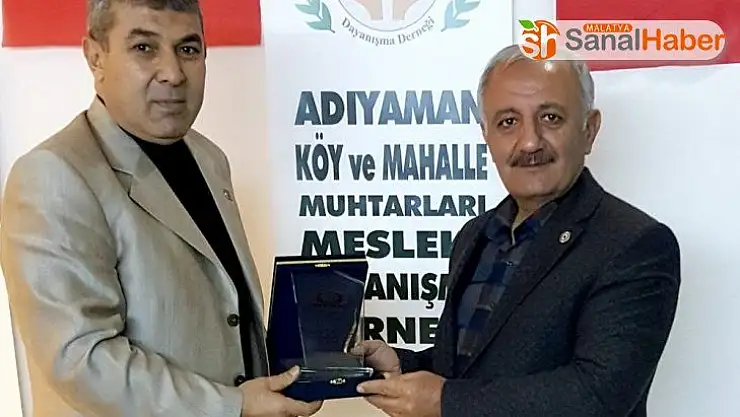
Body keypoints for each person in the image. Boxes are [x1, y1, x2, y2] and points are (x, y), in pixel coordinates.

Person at [0, 1, 322, 416]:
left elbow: (228, 316)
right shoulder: (54, 174)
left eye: (187, 49)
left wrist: (313, 361)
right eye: (144, 48)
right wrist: (234, 405)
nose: (173, 72)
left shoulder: (208, 158)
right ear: (95, 56)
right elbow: (82, 360)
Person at [353, 44, 681, 417]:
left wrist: (444, 401)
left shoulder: (634, 243)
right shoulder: (475, 235)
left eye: (551, 118)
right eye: (508, 122)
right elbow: (473, 367)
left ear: (589, 130)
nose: (529, 142)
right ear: (486, 135)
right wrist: (403, 367)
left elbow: (597, 396)